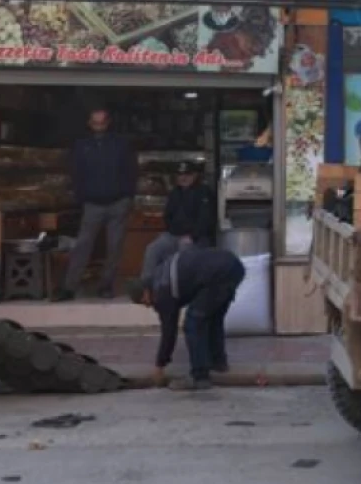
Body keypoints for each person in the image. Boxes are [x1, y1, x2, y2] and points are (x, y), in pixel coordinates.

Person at [137, 234, 241, 391]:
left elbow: (169, 331)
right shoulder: (162, 274)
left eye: (143, 302)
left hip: (217, 274)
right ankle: (219, 362)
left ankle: (200, 376)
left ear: (145, 292)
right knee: (212, 317)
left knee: (193, 324)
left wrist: (160, 365)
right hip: (232, 264)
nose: (147, 306)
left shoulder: (162, 291)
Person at [61, 109, 138, 300]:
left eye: (102, 122)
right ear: (89, 123)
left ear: (108, 122)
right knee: (83, 245)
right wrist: (82, 197)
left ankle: (106, 285)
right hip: (92, 204)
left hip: (118, 202)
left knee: (114, 247)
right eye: (95, 123)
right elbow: (76, 174)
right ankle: (70, 286)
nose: (99, 126)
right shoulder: (82, 146)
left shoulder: (121, 144)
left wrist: (127, 196)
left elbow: (131, 170)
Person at [162, 161, 217, 249]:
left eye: (187, 174)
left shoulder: (204, 192)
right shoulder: (174, 193)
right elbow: (167, 216)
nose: (183, 178)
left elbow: (206, 219)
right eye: (180, 174)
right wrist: (171, 231)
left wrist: (193, 236)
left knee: (184, 248)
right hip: (175, 235)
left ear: (195, 175)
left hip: (198, 237)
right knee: (153, 248)